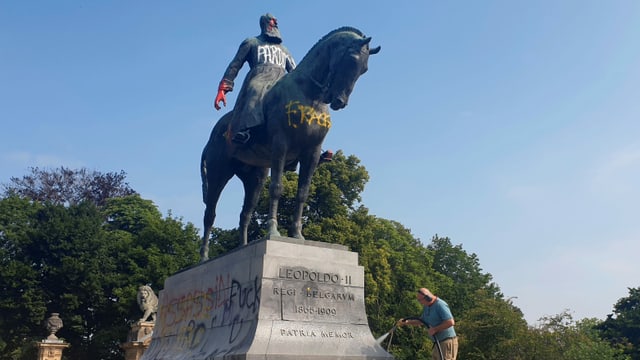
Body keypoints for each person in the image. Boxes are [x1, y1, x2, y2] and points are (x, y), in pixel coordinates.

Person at [214, 13, 295, 145]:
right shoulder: (252, 42)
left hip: (282, 81)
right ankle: (246, 129)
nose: (276, 24)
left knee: (299, 100)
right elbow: (235, 65)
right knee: (256, 90)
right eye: (273, 21)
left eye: (276, 21)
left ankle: (310, 143)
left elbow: (295, 71)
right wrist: (223, 88)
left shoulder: (284, 50)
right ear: (265, 23)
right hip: (260, 78)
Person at [396, 288, 458, 360]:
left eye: (420, 300)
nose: (420, 302)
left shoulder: (440, 305)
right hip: (437, 343)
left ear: (427, 298)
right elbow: (422, 321)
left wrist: (435, 329)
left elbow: (450, 322)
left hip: (446, 342)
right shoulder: (427, 306)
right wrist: (406, 322)